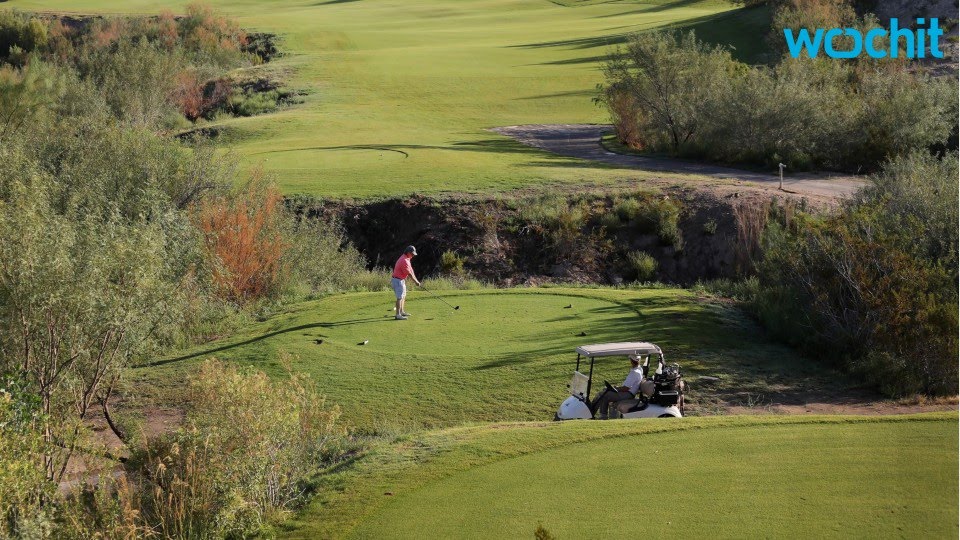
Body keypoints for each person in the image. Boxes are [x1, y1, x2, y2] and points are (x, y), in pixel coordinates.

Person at [591, 355, 644, 419]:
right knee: (604, 391)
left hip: (628, 394)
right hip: (628, 392)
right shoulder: (639, 369)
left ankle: (602, 416)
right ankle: (593, 412)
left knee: (605, 394)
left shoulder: (635, 372)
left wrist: (616, 388)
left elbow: (625, 388)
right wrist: (615, 388)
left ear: (631, 361)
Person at [392, 245, 421, 320]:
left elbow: (411, 271)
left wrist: (417, 281)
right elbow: (409, 274)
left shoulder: (407, 258)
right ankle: (397, 315)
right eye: (412, 253)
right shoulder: (404, 260)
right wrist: (416, 282)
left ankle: (401, 311)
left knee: (403, 296)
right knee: (399, 297)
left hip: (401, 280)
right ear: (408, 252)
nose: (413, 255)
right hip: (397, 280)